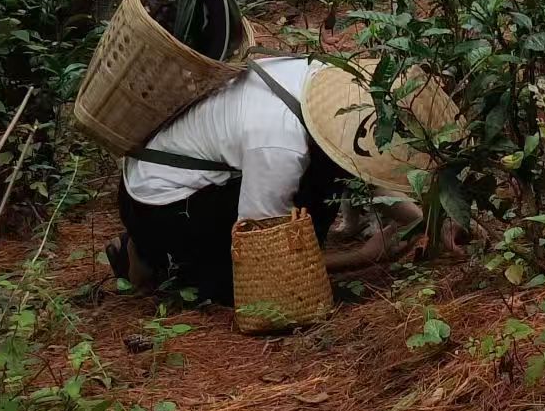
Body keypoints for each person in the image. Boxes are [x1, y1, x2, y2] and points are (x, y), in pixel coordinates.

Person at [106, 55, 458, 303]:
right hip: (160, 206)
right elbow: (263, 254)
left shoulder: (325, 80)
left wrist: (428, 222)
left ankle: (154, 248)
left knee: (325, 163)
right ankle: (147, 253)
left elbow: (357, 158)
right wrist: (363, 257)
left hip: (183, 175)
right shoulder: (280, 144)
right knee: (243, 291)